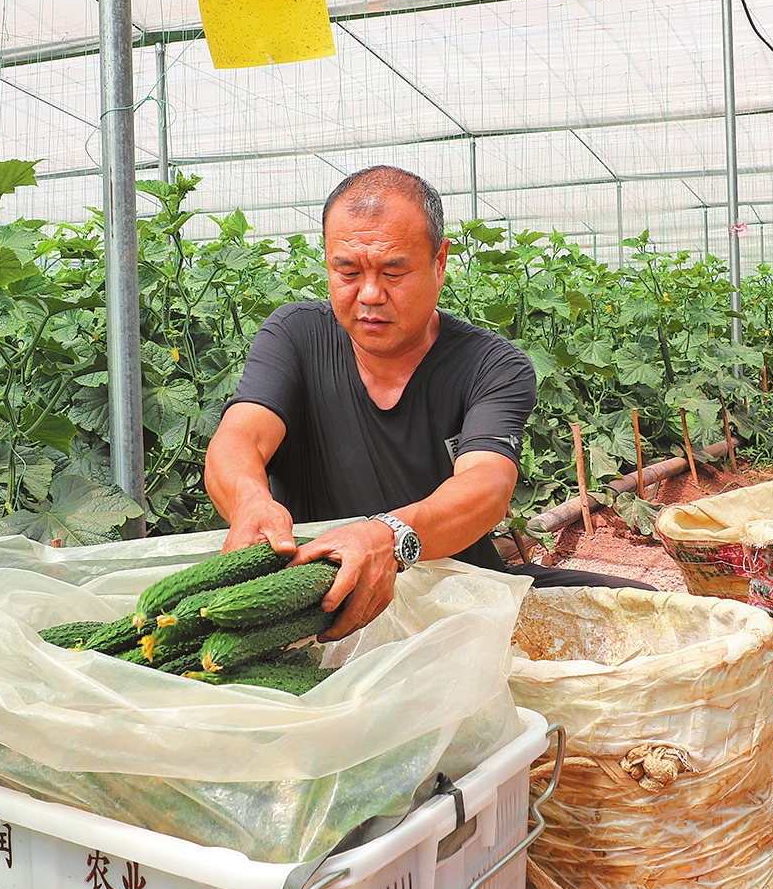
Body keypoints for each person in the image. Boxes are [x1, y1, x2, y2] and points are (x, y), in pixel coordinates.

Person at [204, 165, 651, 640]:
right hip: (316, 603)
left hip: (458, 594)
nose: (369, 295)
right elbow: (241, 436)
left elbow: (486, 485)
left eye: (393, 272)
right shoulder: (295, 336)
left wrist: (389, 537)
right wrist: (250, 501)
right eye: (348, 272)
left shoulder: (491, 365)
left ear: (440, 262)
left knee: (643, 615)